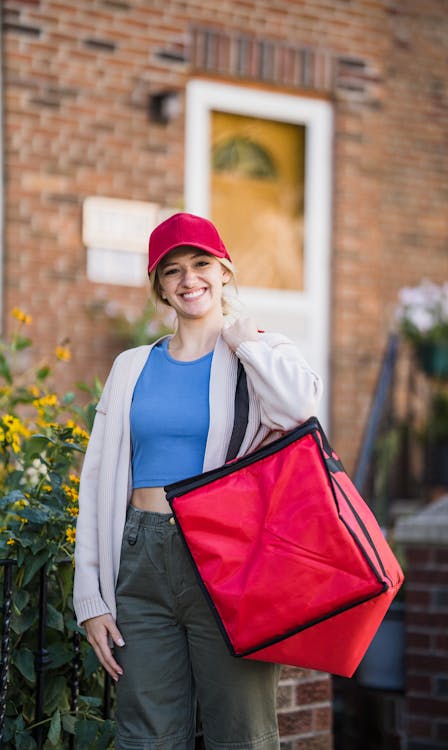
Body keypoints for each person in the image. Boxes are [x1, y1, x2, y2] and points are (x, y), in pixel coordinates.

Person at [73, 212, 323, 750]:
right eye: (173, 270)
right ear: (159, 286)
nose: (189, 280)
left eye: (202, 264)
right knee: (146, 737)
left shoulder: (254, 351)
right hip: (140, 559)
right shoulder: (131, 367)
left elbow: (299, 406)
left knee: (243, 734)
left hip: (228, 560)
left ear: (225, 271)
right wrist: (91, 599)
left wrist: (241, 337)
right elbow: (95, 483)